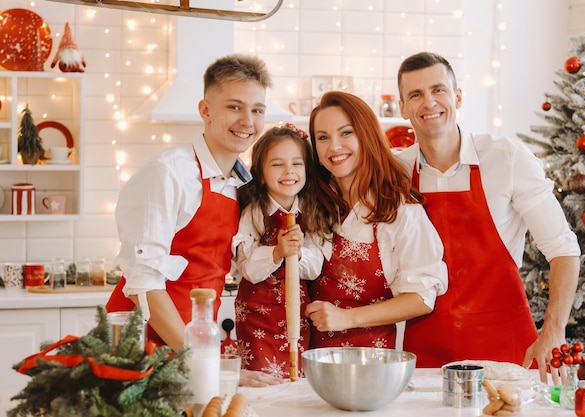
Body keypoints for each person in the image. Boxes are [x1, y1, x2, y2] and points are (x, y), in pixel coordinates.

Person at [395, 51, 580, 383]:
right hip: (423, 355)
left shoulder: (506, 158)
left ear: (458, 96)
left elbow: (564, 249)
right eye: (415, 94)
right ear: (403, 108)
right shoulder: (395, 172)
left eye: (438, 90)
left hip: (506, 353)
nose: (429, 102)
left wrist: (553, 330)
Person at [106, 53, 280, 387]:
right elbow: (144, 282)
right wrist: (200, 365)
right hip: (141, 345)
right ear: (206, 111)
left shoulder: (242, 183)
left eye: (257, 110)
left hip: (193, 345)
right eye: (234, 106)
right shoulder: (170, 172)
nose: (248, 120)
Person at [303, 91, 448, 349]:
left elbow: (421, 298)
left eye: (346, 133)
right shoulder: (311, 203)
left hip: (371, 366)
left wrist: (346, 318)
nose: (333, 147)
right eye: (322, 137)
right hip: (307, 363)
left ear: (366, 135)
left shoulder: (401, 210)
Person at [232, 124, 327, 378]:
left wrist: (297, 252)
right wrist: (276, 252)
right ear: (261, 174)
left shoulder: (312, 212)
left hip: (295, 312)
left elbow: (315, 266)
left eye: (297, 164)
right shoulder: (254, 213)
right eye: (277, 164)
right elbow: (248, 269)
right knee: (262, 378)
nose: (289, 172)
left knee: (295, 378)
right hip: (257, 316)